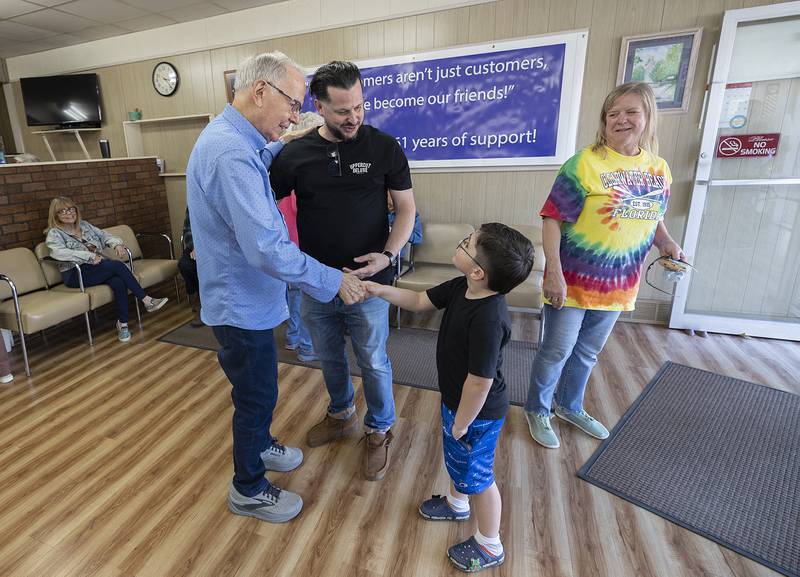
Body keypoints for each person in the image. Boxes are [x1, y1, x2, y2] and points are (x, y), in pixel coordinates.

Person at [186, 51, 365, 524]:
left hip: (248, 300)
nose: (294, 116)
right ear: (261, 91)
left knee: (258, 387)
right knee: (256, 396)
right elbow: (267, 248)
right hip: (239, 305)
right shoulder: (229, 153)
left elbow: (255, 159)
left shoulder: (234, 140)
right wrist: (333, 280)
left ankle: (261, 445)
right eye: (292, 104)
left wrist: (286, 141)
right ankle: (247, 488)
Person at [269, 60, 416, 482]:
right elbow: (265, 209)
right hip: (317, 283)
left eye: (359, 107)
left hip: (370, 283)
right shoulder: (295, 155)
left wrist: (388, 255)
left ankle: (379, 428)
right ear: (318, 107)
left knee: (373, 360)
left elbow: (406, 209)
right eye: (342, 111)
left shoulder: (384, 147)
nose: (354, 117)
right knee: (329, 357)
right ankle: (341, 413)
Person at [365, 223, 534, 573]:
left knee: (479, 477)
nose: (460, 243)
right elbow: (418, 301)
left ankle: (490, 543)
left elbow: (480, 382)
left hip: (477, 412)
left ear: (478, 271)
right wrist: (378, 290)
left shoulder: (489, 319)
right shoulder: (461, 287)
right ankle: (458, 504)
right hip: (460, 403)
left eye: (467, 243)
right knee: (460, 462)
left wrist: (462, 422)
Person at [524, 82, 685, 449]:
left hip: (619, 284)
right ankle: (538, 409)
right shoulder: (584, 163)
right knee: (556, 351)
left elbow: (654, 220)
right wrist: (553, 273)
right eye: (613, 113)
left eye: (631, 112)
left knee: (587, 353)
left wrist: (667, 243)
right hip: (573, 282)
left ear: (648, 118)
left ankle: (569, 406)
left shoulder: (659, 169)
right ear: (604, 120)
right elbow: (552, 219)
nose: (621, 119)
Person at [45, 196, 169, 342]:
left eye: (71, 209)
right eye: (63, 211)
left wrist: (116, 244)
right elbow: (58, 253)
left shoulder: (84, 226)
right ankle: (146, 300)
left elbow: (104, 236)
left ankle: (123, 324)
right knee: (117, 265)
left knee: (118, 282)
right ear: (56, 215)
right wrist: (88, 256)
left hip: (97, 268)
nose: (69, 213)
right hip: (75, 273)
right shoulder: (54, 234)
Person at [177, 208, 203, 327]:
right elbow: (187, 230)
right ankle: (199, 296)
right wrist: (194, 246)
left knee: (208, 266)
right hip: (198, 245)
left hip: (218, 246)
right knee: (184, 265)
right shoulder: (193, 202)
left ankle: (202, 301)